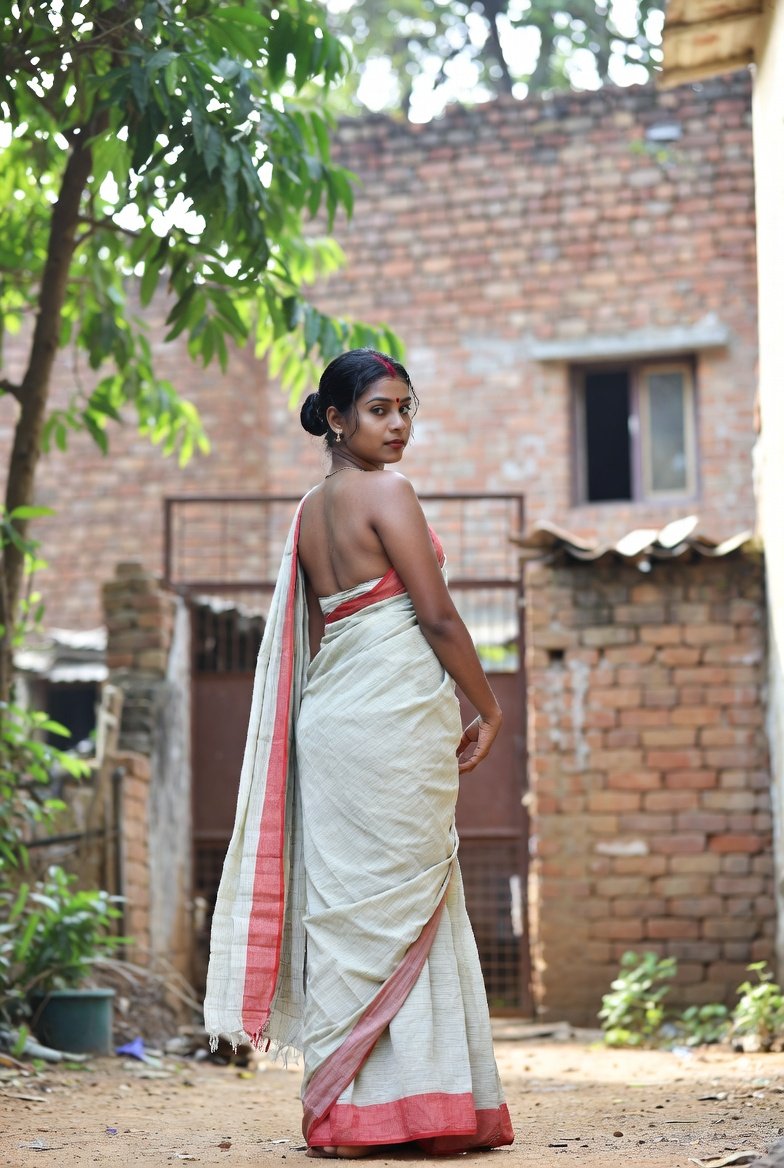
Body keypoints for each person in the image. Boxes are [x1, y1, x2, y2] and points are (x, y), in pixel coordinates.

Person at [204, 349, 514, 1157]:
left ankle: (345, 1110)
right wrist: (487, 706)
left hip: (334, 717)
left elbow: (325, 625)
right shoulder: (388, 492)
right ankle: (413, 1105)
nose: (400, 425)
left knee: (352, 913)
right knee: (402, 902)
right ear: (336, 418)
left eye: (407, 409)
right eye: (380, 409)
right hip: (390, 725)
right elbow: (439, 619)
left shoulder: (310, 510)